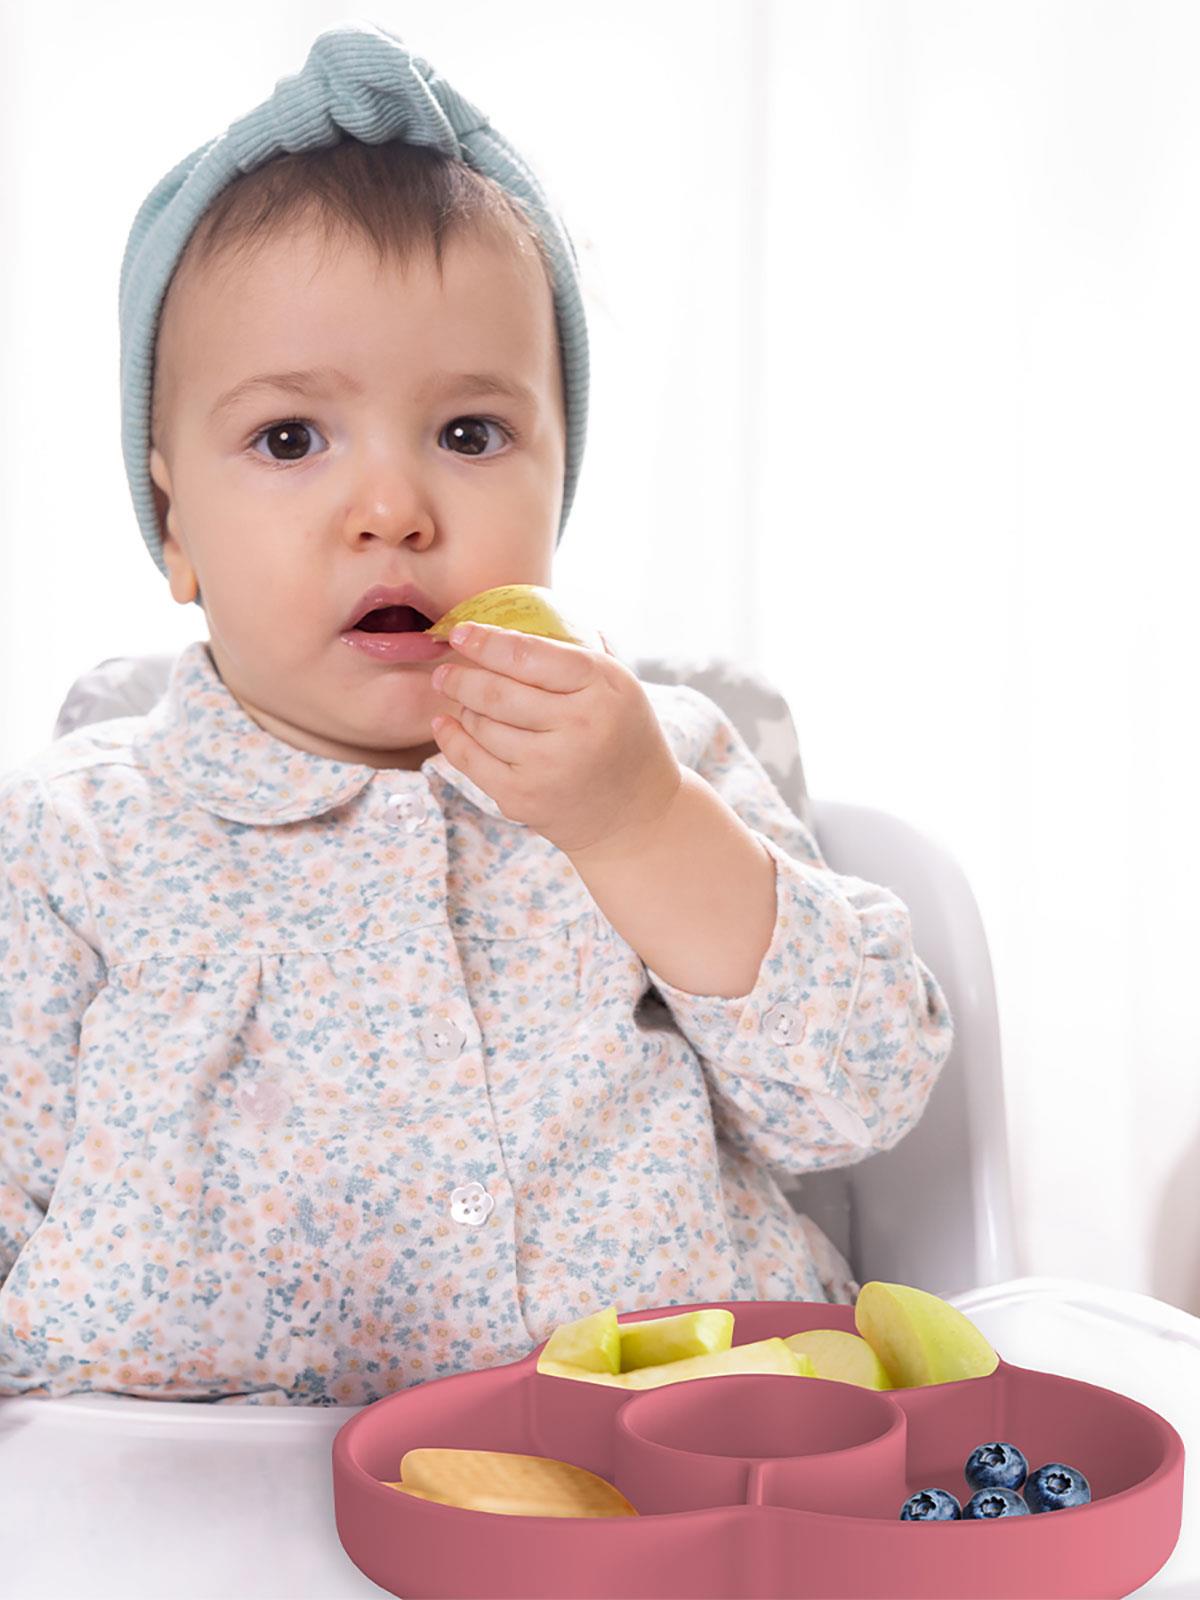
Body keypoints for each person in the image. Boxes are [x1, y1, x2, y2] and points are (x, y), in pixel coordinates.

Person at [0, 23, 954, 1406]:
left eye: (469, 434)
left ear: (558, 486)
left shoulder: (665, 763)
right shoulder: (69, 837)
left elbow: (857, 1093)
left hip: (658, 1468)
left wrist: (638, 825)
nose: (393, 508)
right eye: (289, 440)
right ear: (173, 524)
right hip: (187, 1499)